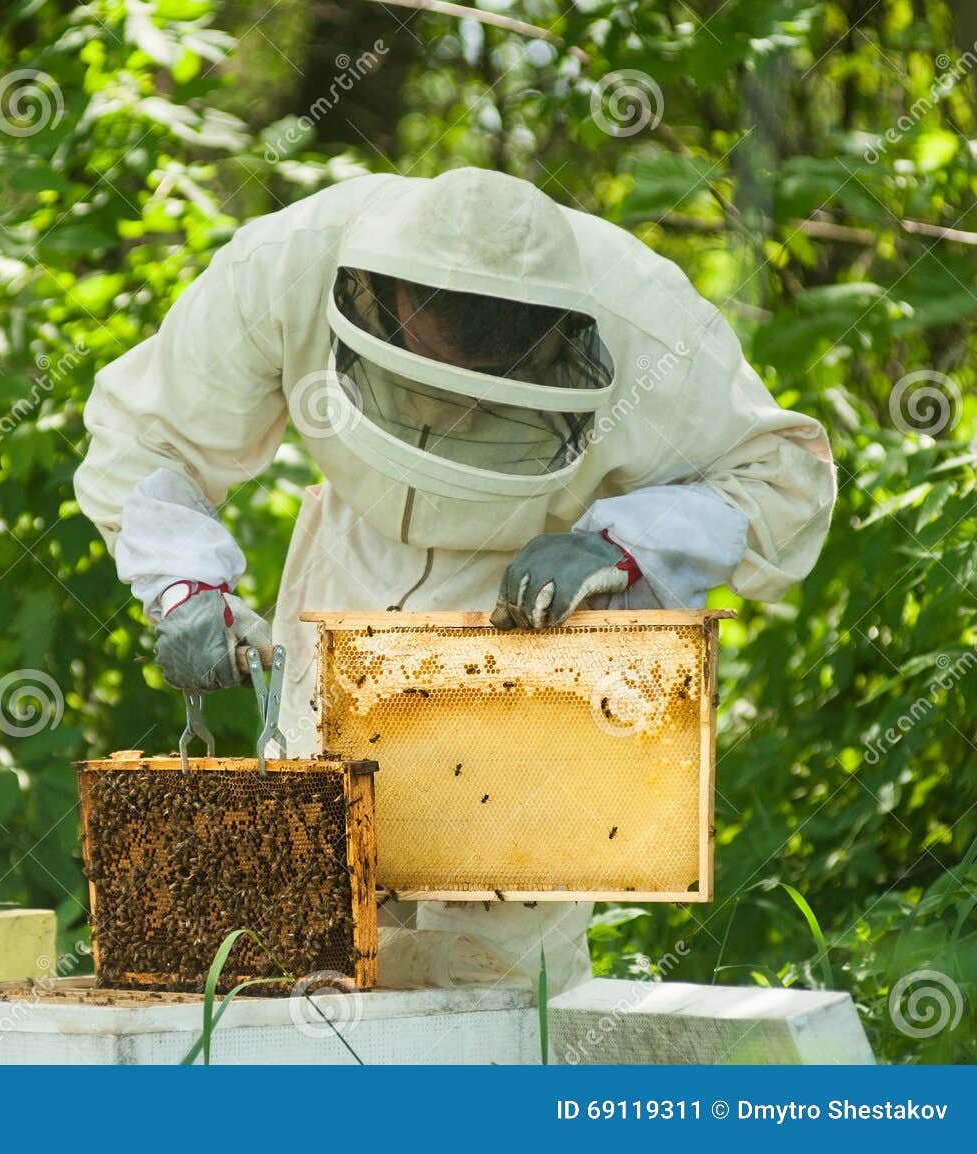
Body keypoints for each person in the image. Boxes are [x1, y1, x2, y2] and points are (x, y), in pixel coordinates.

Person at [73, 167, 835, 993]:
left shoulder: (647, 318)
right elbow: (146, 434)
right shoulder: (291, 262)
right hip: (341, 593)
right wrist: (183, 580)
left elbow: (781, 477)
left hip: (530, 642)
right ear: (377, 299)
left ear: (556, 337)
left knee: (497, 985)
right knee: (302, 955)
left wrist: (626, 545)